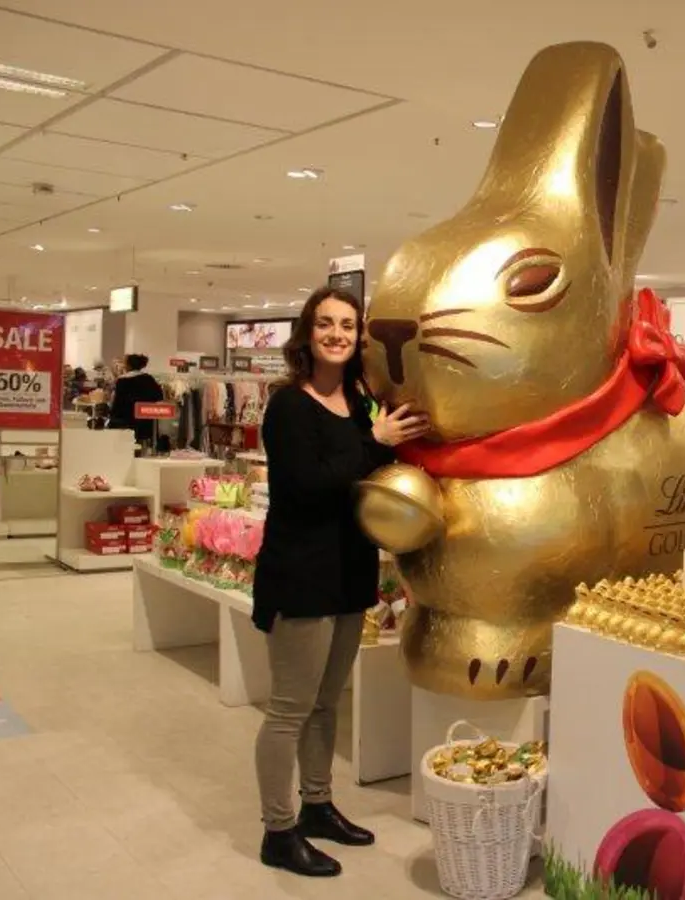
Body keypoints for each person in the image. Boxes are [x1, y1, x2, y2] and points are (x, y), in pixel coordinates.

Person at [251, 286, 428, 878]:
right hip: (299, 572)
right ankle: (278, 830)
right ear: (307, 332)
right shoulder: (288, 406)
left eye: (347, 326)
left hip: (349, 569)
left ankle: (318, 804)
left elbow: (365, 475)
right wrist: (373, 444)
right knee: (289, 709)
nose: (336, 334)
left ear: (359, 338)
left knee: (327, 704)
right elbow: (307, 486)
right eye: (325, 323)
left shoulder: (356, 401)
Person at [106, 353, 165, 446]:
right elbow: (159, 397)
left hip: (126, 420)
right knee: (142, 444)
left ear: (129, 365)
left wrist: (111, 416)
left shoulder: (122, 381)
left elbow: (118, 402)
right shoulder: (149, 379)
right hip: (146, 419)